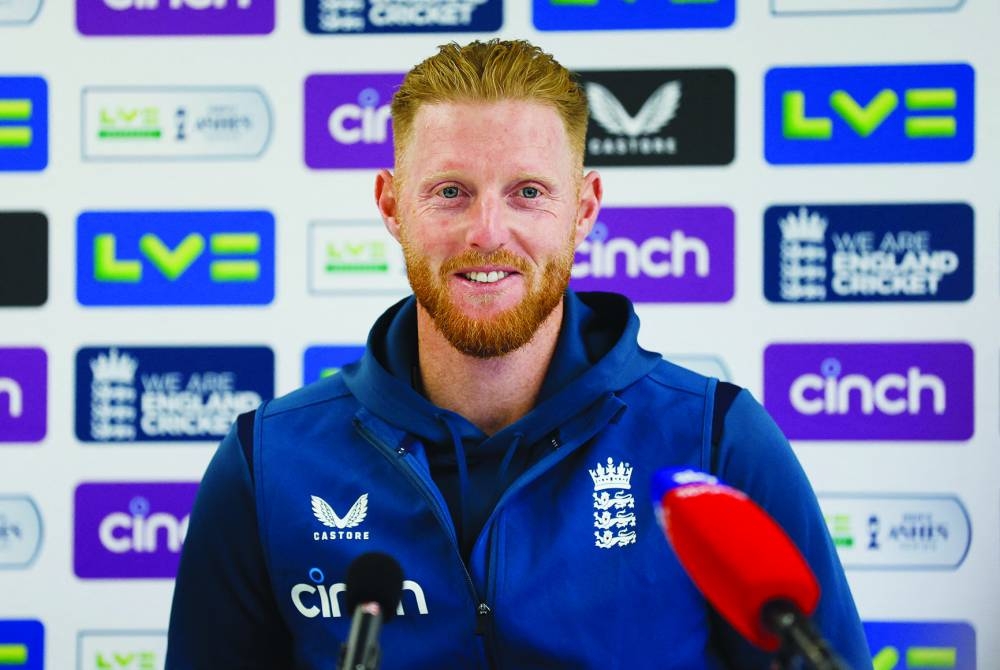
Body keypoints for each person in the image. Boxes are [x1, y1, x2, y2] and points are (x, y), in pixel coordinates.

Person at [166, 39, 872, 669]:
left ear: (584, 208)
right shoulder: (270, 463)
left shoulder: (715, 441)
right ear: (390, 204)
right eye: (450, 192)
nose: (487, 232)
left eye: (528, 192)